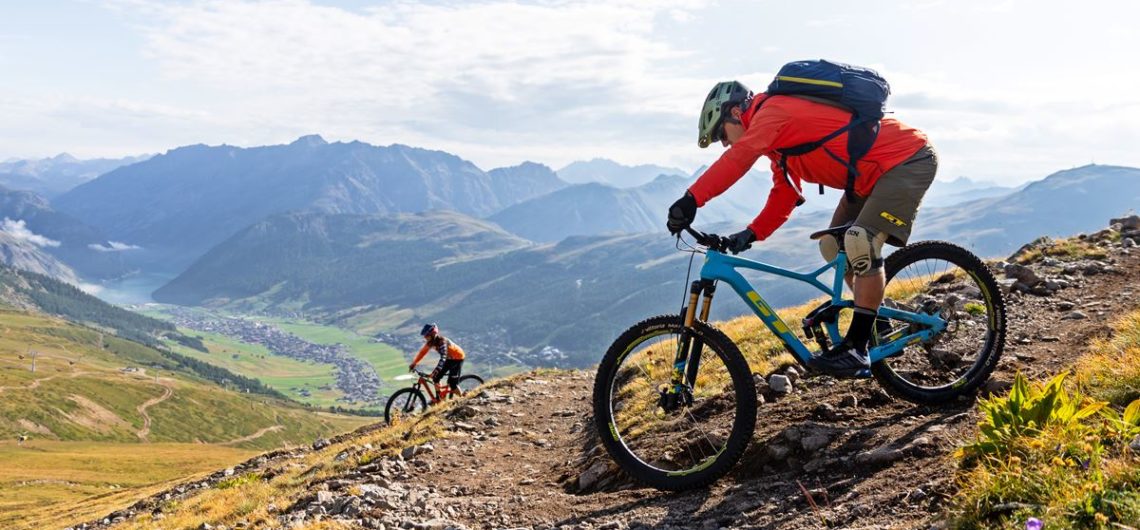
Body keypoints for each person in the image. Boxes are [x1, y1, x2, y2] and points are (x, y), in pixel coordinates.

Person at [667, 80, 938, 377]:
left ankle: (857, 349)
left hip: (906, 158)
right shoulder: (777, 144)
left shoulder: (774, 111)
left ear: (735, 112)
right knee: (833, 247)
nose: (724, 142)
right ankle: (878, 324)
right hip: (868, 178)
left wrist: (692, 199)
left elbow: (739, 158)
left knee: (860, 240)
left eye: (721, 133)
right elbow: (785, 194)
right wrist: (751, 233)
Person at [409, 323, 467, 396]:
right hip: (449, 359)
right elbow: (422, 353)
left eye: (427, 336)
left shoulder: (442, 342)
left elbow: (443, 358)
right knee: (435, 378)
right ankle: (439, 398)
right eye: (425, 336)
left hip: (458, 358)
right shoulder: (430, 343)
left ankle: (462, 397)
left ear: (433, 334)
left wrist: (436, 371)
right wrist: (414, 363)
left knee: (452, 384)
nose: (425, 337)